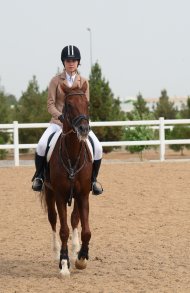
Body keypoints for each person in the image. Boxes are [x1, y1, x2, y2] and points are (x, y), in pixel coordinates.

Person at [32, 45, 103, 195]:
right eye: (68, 60)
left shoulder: (84, 82)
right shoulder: (55, 81)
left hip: (78, 126)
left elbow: (85, 104)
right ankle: (39, 177)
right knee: (41, 145)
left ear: (78, 62)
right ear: (63, 62)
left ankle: (93, 180)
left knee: (97, 147)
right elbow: (50, 104)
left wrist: (81, 122)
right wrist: (60, 116)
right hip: (58, 124)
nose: (71, 63)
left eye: (74, 60)